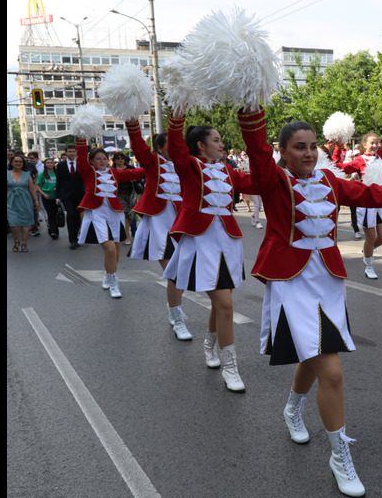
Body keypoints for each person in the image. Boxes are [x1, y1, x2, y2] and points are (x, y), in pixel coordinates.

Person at [243, 110, 382, 498]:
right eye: (299, 148)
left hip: (327, 281)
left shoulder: (329, 179)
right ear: (283, 151)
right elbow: (256, 154)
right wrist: (249, 109)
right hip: (291, 282)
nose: (308, 154)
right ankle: (339, 454)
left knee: (313, 356)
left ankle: (293, 409)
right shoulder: (274, 181)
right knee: (332, 370)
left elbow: (372, 194)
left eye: (312, 147)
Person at [163, 114, 259, 392]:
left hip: (227, 241)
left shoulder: (228, 170)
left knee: (221, 303)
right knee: (226, 304)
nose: (222, 144)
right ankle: (231, 367)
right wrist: (176, 116)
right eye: (216, 140)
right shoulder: (189, 165)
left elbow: (255, 183)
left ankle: (209, 345)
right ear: (200, 145)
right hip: (200, 241)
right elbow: (175, 146)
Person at [125, 120, 191, 341]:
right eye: (169, 145)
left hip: (181, 223)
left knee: (180, 272)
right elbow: (138, 146)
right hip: (159, 223)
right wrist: (132, 119)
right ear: (160, 148)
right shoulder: (153, 162)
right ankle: (177, 318)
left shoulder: (186, 165)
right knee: (175, 272)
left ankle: (174, 309)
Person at [330, 127, 382, 280]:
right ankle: (369, 266)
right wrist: (337, 149)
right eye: (372, 143)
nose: (375, 145)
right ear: (364, 145)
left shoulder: (381, 155)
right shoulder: (359, 160)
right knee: (370, 238)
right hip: (366, 203)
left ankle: (367, 251)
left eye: (377, 143)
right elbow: (339, 167)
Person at [75, 139, 146, 298]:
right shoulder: (88, 172)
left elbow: (134, 173)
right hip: (96, 213)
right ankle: (114, 283)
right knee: (110, 249)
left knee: (116, 253)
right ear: (92, 161)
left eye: (104, 158)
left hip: (115, 213)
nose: (102, 161)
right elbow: (81, 156)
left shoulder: (115, 173)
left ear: (109, 160)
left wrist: (152, 168)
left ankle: (108, 275)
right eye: (98, 159)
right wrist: (81, 138)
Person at [7, 154, 40, 252]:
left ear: (23, 163)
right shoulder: (7, 174)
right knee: (13, 223)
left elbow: (32, 189)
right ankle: (16, 241)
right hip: (10, 201)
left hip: (25, 201)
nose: (18, 163)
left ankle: (24, 243)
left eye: (20, 162)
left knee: (26, 223)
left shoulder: (27, 174)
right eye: (16, 161)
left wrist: (37, 201)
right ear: (12, 163)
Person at [56, 145, 86, 249]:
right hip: (66, 194)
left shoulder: (81, 164)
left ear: (76, 152)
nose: (71, 153)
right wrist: (57, 197)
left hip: (79, 194)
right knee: (70, 214)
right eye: (69, 151)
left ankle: (76, 236)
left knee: (77, 216)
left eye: (73, 151)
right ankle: (72, 239)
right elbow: (58, 182)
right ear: (66, 153)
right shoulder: (60, 165)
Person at [111, 152, 139, 244]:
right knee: (124, 214)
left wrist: (134, 180)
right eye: (118, 158)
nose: (120, 160)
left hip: (131, 194)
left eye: (122, 158)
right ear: (114, 160)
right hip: (118, 195)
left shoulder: (131, 168)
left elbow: (139, 178)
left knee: (130, 215)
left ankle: (125, 233)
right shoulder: (112, 170)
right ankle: (127, 236)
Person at [36, 158, 60, 240]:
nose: (50, 164)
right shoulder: (41, 174)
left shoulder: (57, 174)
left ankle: (54, 229)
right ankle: (53, 231)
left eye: (51, 163)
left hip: (56, 197)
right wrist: (43, 194)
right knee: (50, 214)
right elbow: (38, 185)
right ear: (45, 164)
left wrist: (58, 188)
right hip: (47, 196)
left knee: (56, 213)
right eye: (48, 163)